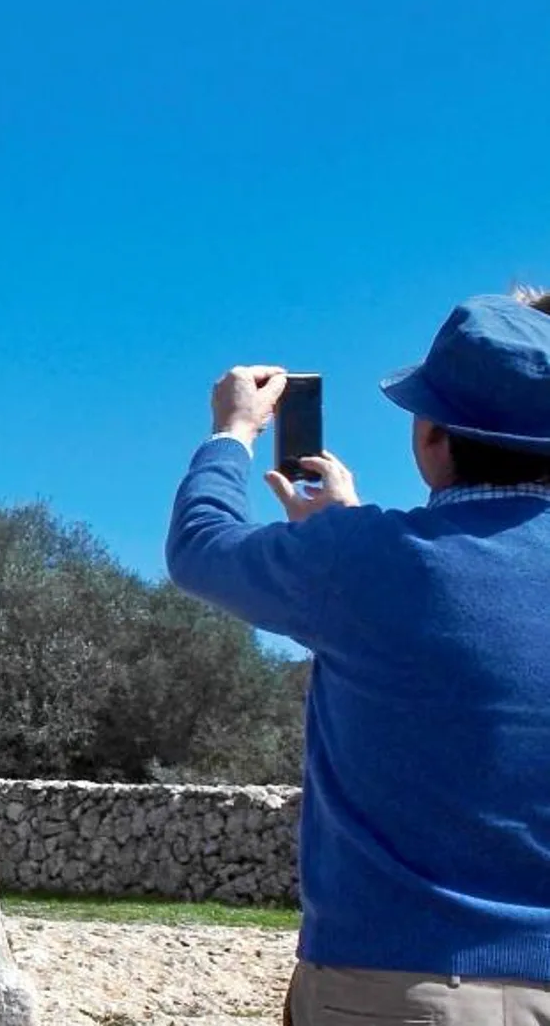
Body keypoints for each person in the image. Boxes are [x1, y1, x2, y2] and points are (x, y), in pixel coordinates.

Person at [166, 293, 550, 1025]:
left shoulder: (361, 562)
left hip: (394, 986)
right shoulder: (362, 553)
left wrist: (232, 432)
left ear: (434, 434)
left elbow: (199, 547)